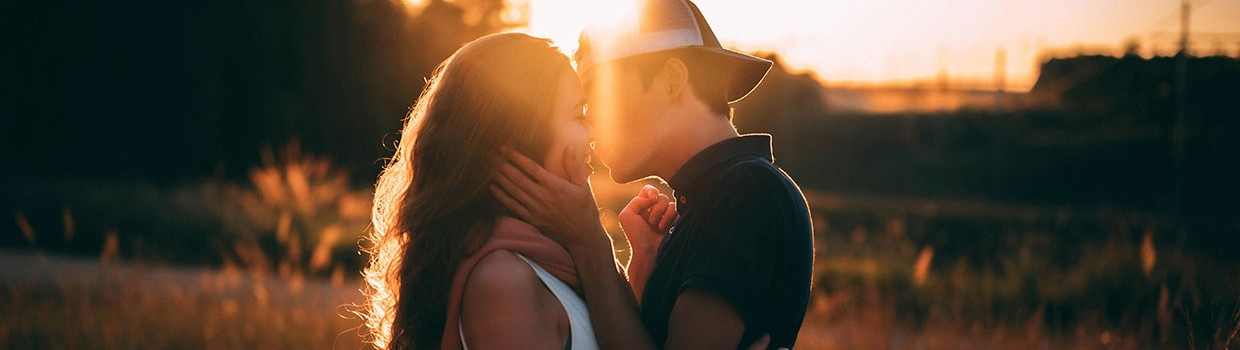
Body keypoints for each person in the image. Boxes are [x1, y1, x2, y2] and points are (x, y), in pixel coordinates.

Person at [490, 0, 815, 349]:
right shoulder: (710, 201)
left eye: (598, 93)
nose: (590, 125)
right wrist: (645, 272)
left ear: (672, 80)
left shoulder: (747, 191)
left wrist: (589, 240)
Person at [360, 32, 599, 350]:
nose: (591, 132)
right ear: (524, 132)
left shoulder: (549, 261)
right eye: (578, 115)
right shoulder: (504, 283)